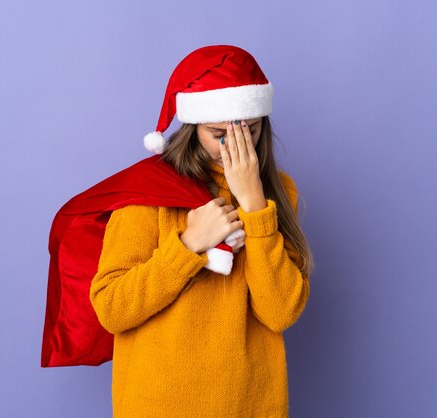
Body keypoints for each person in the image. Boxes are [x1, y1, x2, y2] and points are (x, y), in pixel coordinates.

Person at [90, 44, 314, 417]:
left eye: (249, 130)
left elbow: (280, 312)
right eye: (217, 133)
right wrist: (189, 244)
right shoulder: (150, 190)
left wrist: (255, 208)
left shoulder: (278, 192)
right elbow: (112, 309)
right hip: (159, 404)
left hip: (250, 403)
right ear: (193, 127)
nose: (234, 146)